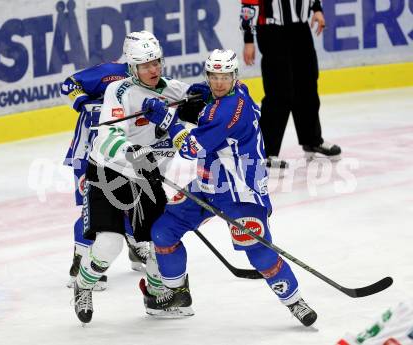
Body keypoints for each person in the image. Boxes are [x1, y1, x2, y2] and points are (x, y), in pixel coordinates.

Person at [139, 49, 318, 327]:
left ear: (234, 76)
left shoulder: (227, 111)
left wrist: (167, 120)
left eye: (224, 77)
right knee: (163, 231)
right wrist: (201, 93)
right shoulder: (237, 90)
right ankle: (177, 292)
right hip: (209, 182)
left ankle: (295, 301)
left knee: (257, 251)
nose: (219, 83)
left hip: (241, 191)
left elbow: (190, 148)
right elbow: (209, 104)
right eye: (213, 77)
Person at [72, 31, 199, 323]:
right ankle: (83, 283)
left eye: (156, 62)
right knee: (109, 244)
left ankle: (156, 297)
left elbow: (203, 102)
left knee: (157, 241)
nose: (153, 70)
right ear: (131, 67)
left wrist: (219, 89)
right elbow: (107, 137)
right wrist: (134, 153)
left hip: (146, 179)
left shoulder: (171, 90)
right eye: (145, 65)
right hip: (109, 174)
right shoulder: (117, 92)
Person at [61, 37, 150, 291]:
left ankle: (136, 247)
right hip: (90, 152)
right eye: (142, 61)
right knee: (91, 209)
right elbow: (70, 84)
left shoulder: (147, 81)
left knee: (133, 201)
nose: (148, 67)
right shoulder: (109, 73)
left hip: (122, 152)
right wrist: (82, 102)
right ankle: (81, 262)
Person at [240, 0, 341, 169]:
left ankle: (312, 140)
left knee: (307, 85)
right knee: (278, 91)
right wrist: (248, 39)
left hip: (300, 28)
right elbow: (249, 4)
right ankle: (265, 152)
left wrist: (316, 9)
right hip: (272, 30)